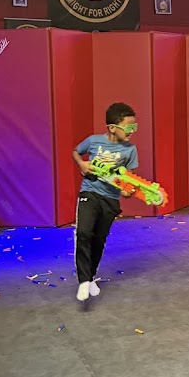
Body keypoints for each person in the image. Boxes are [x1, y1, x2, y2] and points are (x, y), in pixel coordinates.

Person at [71, 102, 139, 303]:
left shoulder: (130, 150)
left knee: (99, 239)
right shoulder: (93, 141)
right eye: (128, 127)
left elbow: (128, 179)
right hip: (90, 192)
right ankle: (84, 281)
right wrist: (82, 164)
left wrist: (127, 191)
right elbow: (75, 151)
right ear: (112, 128)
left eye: (134, 127)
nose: (132, 131)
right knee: (84, 233)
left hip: (110, 199)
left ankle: (91, 276)